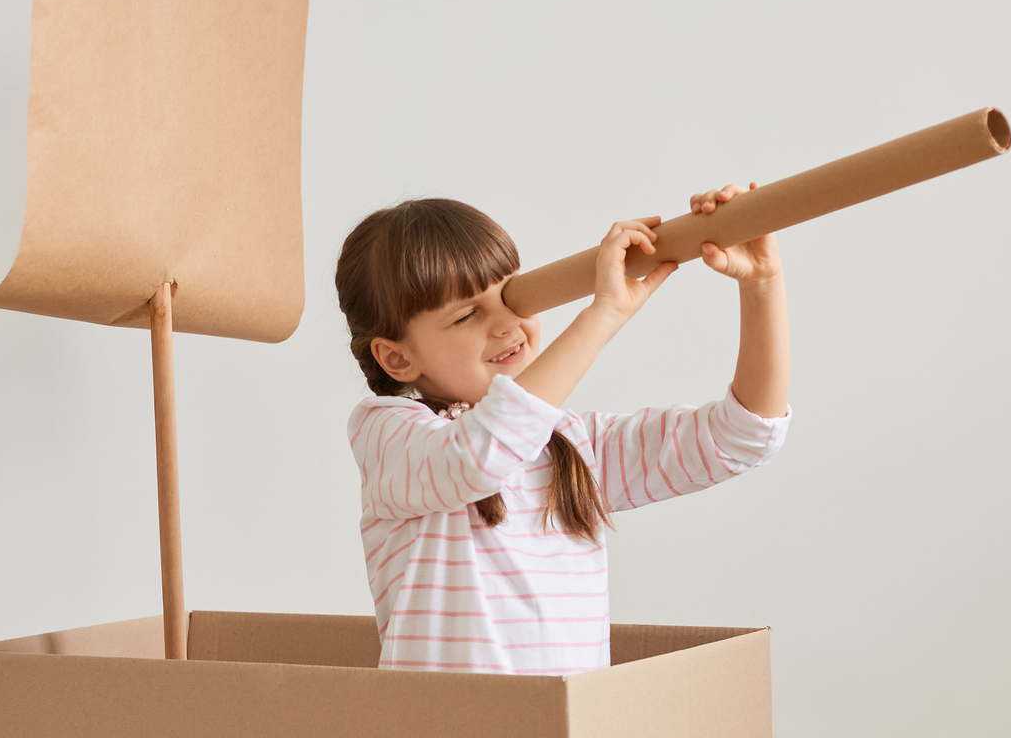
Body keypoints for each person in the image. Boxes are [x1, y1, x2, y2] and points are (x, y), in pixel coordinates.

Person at [335, 185, 790, 673]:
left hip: (562, 732)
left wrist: (762, 286)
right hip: (448, 737)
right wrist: (603, 315)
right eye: (467, 315)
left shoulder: (573, 443)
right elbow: (478, 457)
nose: (507, 324)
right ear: (398, 357)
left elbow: (740, 437)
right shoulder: (390, 435)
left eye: (513, 296)